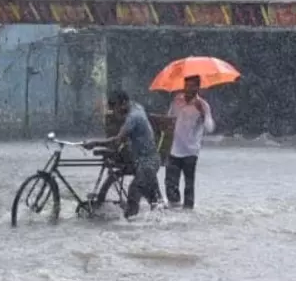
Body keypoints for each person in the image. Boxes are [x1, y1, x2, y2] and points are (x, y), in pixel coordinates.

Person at [85, 90, 161, 219]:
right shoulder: (136, 106)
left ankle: (130, 225)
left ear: (124, 103)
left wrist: (95, 143)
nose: (115, 113)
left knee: (133, 192)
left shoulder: (133, 117)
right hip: (139, 159)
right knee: (155, 201)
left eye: (116, 108)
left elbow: (117, 139)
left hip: (148, 162)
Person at [165, 75, 215, 210]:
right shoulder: (177, 100)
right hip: (174, 148)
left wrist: (203, 113)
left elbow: (210, 128)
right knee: (170, 183)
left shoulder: (203, 105)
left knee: (189, 184)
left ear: (198, 87)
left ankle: (188, 212)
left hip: (191, 150)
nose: (188, 89)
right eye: (186, 85)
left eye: (192, 86)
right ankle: (174, 209)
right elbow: (169, 119)